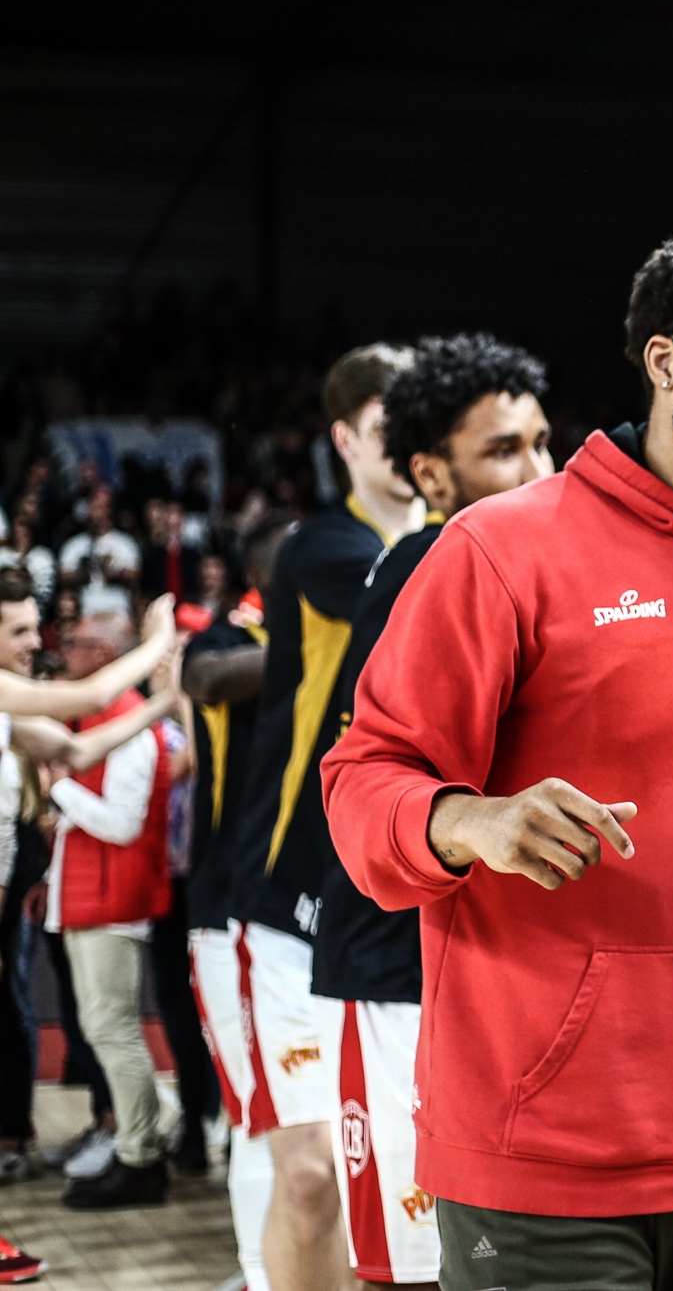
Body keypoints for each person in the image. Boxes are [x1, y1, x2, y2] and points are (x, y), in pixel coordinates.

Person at [323, 226, 673, 1291]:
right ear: (665, 361)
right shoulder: (502, 548)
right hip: (540, 1156)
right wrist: (469, 820)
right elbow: (363, 780)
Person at [313, 332, 553, 1288]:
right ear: (430, 472)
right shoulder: (429, 564)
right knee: (417, 1265)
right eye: (505, 451)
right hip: (398, 957)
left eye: (543, 442)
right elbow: (371, 772)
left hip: (486, 960)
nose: (540, 470)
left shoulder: (524, 553)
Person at [236, 343, 422, 1291]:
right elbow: (410, 588)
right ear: (346, 438)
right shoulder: (324, 547)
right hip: (285, 899)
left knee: (400, 1194)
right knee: (308, 1175)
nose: (409, 444)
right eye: (392, 426)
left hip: (382, 903)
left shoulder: (444, 544)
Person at [185, 513, 296, 1291]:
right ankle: (261, 1274)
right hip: (229, 911)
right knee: (258, 1112)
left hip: (309, 913)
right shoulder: (225, 637)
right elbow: (211, 681)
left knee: (308, 1116)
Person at [41, 608, 183, 1207]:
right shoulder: (109, 717)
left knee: (113, 1028)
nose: (62, 649)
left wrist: (58, 786)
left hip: (111, 899)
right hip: (93, 894)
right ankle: (139, 1141)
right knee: (106, 1028)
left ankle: (140, 1153)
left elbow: (123, 825)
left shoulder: (125, 723)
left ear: (104, 654)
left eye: (75, 643)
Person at [59, 486, 142, 616]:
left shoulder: (124, 542)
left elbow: (135, 576)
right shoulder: (75, 544)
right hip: (85, 612)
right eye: (92, 508)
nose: (95, 513)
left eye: (99, 508)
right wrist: (82, 574)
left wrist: (114, 571)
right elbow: (63, 577)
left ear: (109, 511)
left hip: (117, 611)